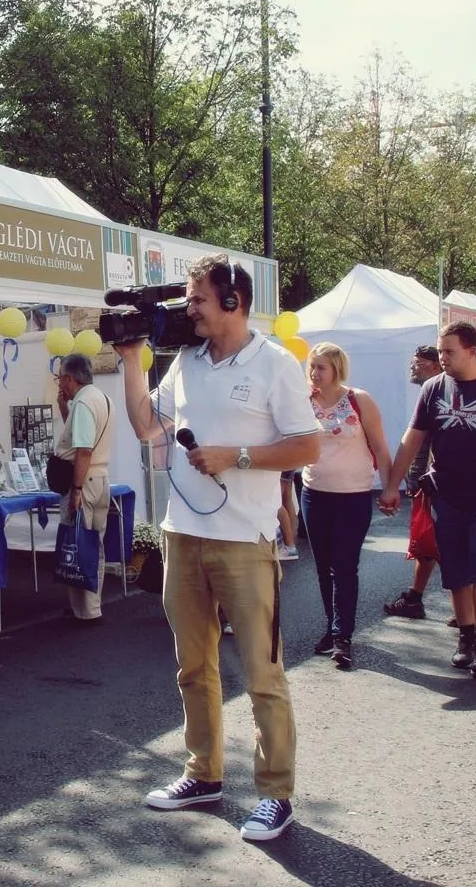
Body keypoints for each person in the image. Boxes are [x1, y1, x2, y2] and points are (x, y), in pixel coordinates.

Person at [115, 253, 319, 843]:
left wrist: (239, 456)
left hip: (245, 539)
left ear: (233, 302)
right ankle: (202, 774)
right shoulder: (186, 362)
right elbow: (147, 426)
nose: (189, 310)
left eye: (198, 299)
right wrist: (132, 362)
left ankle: (276, 794)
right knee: (193, 666)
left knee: (262, 673)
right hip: (184, 534)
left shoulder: (275, 364)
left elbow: (308, 445)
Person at [380, 322, 476, 681]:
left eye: (449, 351)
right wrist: (391, 486)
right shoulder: (433, 388)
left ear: (471, 352)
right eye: (440, 350)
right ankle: (465, 638)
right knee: (456, 569)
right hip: (446, 494)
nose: (442, 358)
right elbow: (412, 439)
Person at [301, 343, 392, 670]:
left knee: (344, 565)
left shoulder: (358, 400)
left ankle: (343, 636)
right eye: (311, 366)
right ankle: (331, 626)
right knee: (324, 565)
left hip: (353, 494)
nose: (314, 373)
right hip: (314, 492)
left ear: (337, 368)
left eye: (321, 366)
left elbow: (381, 448)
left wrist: (390, 487)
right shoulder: (303, 402)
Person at [54, 353, 116, 623]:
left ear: (70, 378)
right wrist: (64, 409)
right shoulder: (101, 399)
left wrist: (76, 490)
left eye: (61, 378)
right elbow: (81, 435)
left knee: (78, 543)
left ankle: (86, 611)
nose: (60, 384)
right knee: (93, 541)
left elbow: (83, 449)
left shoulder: (83, 405)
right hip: (101, 479)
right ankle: (91, 605)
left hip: (85, 480)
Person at [384, 346, 444, 619]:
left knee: (433, 542)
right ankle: (416, 597)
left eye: (418, 363)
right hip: (426, 480)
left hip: (434, 482)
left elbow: (424, 441)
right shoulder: (431, 390)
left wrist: (406, 479)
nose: (413, 368)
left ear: (433, 365)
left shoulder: (439, 391)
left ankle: (460, 609)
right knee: (428, 544)